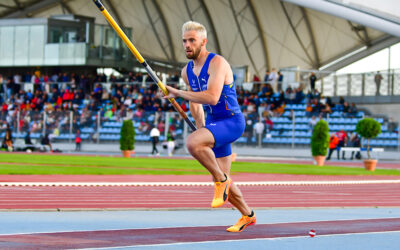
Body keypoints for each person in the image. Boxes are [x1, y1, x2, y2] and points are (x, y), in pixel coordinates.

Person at [164, 21, 255, 232]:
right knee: (226, 183)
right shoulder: (186, 71)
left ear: (203, 42)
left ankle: (220, 180)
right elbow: (195, 103)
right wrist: (200, 129)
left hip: (232, 121)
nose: (187, 44)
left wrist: (176, 93)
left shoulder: (217, 63)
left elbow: (212, 98)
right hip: (214, 124)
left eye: (192, 40)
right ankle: (247, 215)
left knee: (194, 147)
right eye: (184, 41)